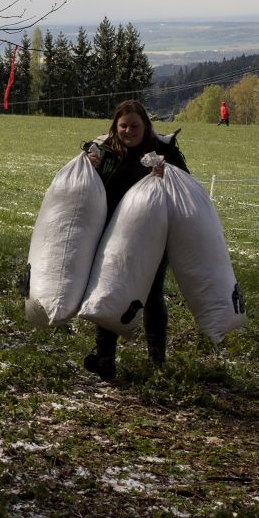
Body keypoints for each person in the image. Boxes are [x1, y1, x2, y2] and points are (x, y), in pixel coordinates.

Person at [80, 99, 188, 382]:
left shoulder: (164, 151)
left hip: (154, 237)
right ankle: (104, 359)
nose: (129, 131)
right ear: (115, 127)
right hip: (111, 234)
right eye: (123, 126)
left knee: (151, 294)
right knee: (109, 290)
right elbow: (88, 190)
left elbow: (186, 184)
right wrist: (89, 168)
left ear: (146, 126)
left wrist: (168, 175)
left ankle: (157, 360)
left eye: (134, 126)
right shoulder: (104, 151)